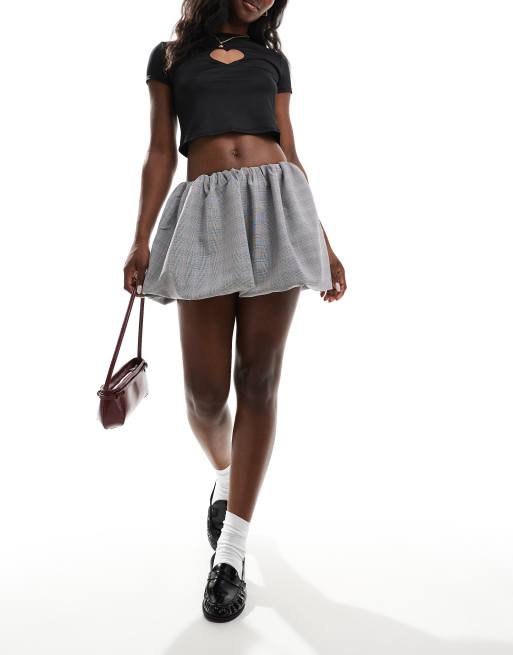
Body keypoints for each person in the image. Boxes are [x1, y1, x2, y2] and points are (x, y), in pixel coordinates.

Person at [123, 0, 347, 622]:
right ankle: (226, 474)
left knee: (259, 378)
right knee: (203, 395)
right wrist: (140, 238)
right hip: (204, 213)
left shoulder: (273, 60)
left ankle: (232, 551)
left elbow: (290, 151)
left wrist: (324, 243)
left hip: (279, 207)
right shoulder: (170, 57)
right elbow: (161, 153)